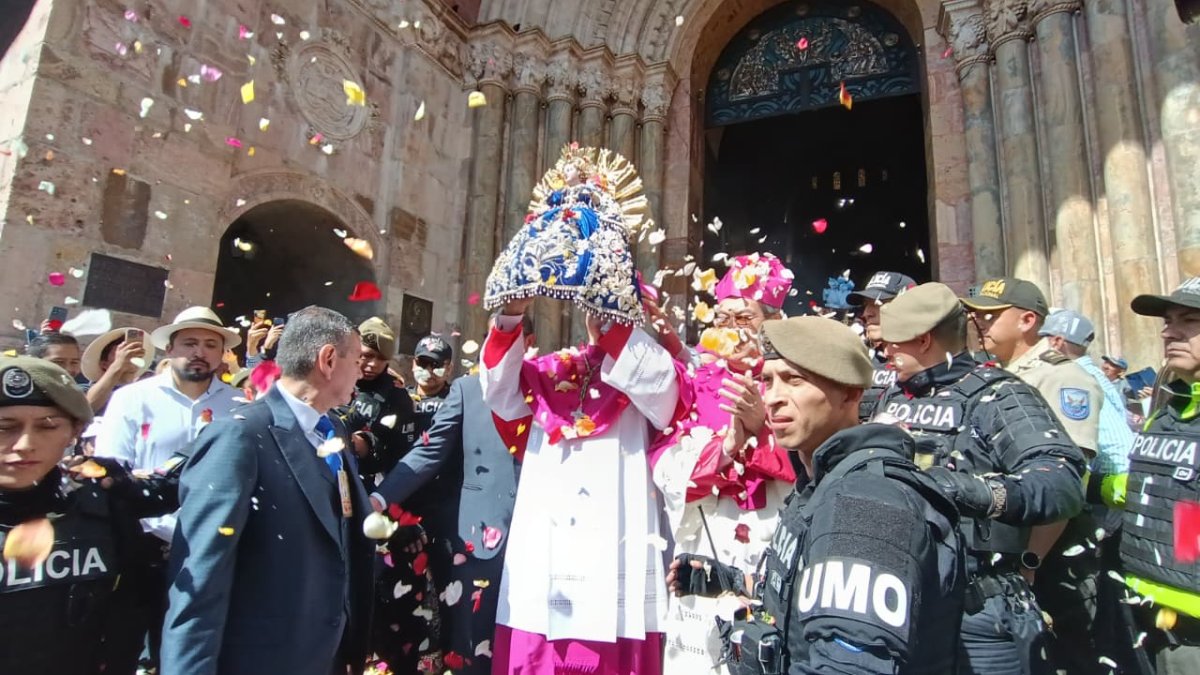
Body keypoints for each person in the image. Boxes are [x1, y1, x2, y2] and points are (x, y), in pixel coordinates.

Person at [667, 316, 965, 673]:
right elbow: (810, 591)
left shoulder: (866, 503)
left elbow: (851, 664)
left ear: (851, 393)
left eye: (795, 380)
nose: (774, 398)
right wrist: (730, 581)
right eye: (767, 381)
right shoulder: (819, 481)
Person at [877, 282, 1087, 674]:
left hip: (976, 609)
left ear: (923, 340)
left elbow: (1062, 481)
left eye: (893, 344)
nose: (884, 352)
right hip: (897, 601)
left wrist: (966, 489)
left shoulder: (999, 395)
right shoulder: (888, 395)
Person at [160, 306, 375, 675]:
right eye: (355, 359)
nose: (360, 371)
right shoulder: (240, 436)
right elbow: (200, 578)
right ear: (327, 360)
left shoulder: (333, 431)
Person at [649, 253, 797, 674]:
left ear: (772, 321)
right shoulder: (692, 382)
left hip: (774, 529)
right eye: (721, 318)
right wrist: (729, 445)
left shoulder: (797, 375)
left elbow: (816, 454)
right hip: (708, 532)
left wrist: (761, 430)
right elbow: (664, 460)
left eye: (743, 319)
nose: (730, 330)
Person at [368, 315, 535, 675]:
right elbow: (429, 452)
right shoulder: (467, 390)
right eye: (495, 334)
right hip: (478, 538)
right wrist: (380, 499)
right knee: (470, 645)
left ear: (529, 341)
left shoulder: (552, 388)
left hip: (539, 535)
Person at [0, 356, 178, 674]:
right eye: (5, 427)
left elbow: (129, 609)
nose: (25, 444)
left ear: (75, 431)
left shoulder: (103, 503)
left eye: (47, 426)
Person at [962, 279, 1102, 673]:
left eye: (990, 315)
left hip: (1051, 556)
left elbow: (1064, 484)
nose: (979, 323)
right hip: (1006, 555)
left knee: (1066, 654)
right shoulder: (992, 375)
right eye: (976, 315)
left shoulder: (1060, 377)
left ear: (1027, 320)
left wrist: (1030, 563)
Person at [93, 305, 244, 666]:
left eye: (210, 344)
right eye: (190, 343)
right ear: (170, 349)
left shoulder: (237, 405)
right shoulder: (133, 398)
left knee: (187, 654)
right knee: (123, 649)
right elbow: (114, 468)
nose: (200, 352)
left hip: (206, 550)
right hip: (141, 545)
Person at [1090, 277, 1200, 673]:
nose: (1169, 331)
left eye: (1188, 320)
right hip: (1148, 610)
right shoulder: (1173, 405)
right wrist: (1090, 487)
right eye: (1168, 320)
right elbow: (1171, 495)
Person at [847, 270, 917, 421]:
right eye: (866, 305)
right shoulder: (858, 359)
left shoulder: (930, 362)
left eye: (878, 303)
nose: (866, 313)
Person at [80, 327, 153, 413]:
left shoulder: (145, 394)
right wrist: (119, 365)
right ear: (104, 364)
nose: (129, 355)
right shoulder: (83, 390)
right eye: (119, 353)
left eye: (135, 353)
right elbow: (86, 409)